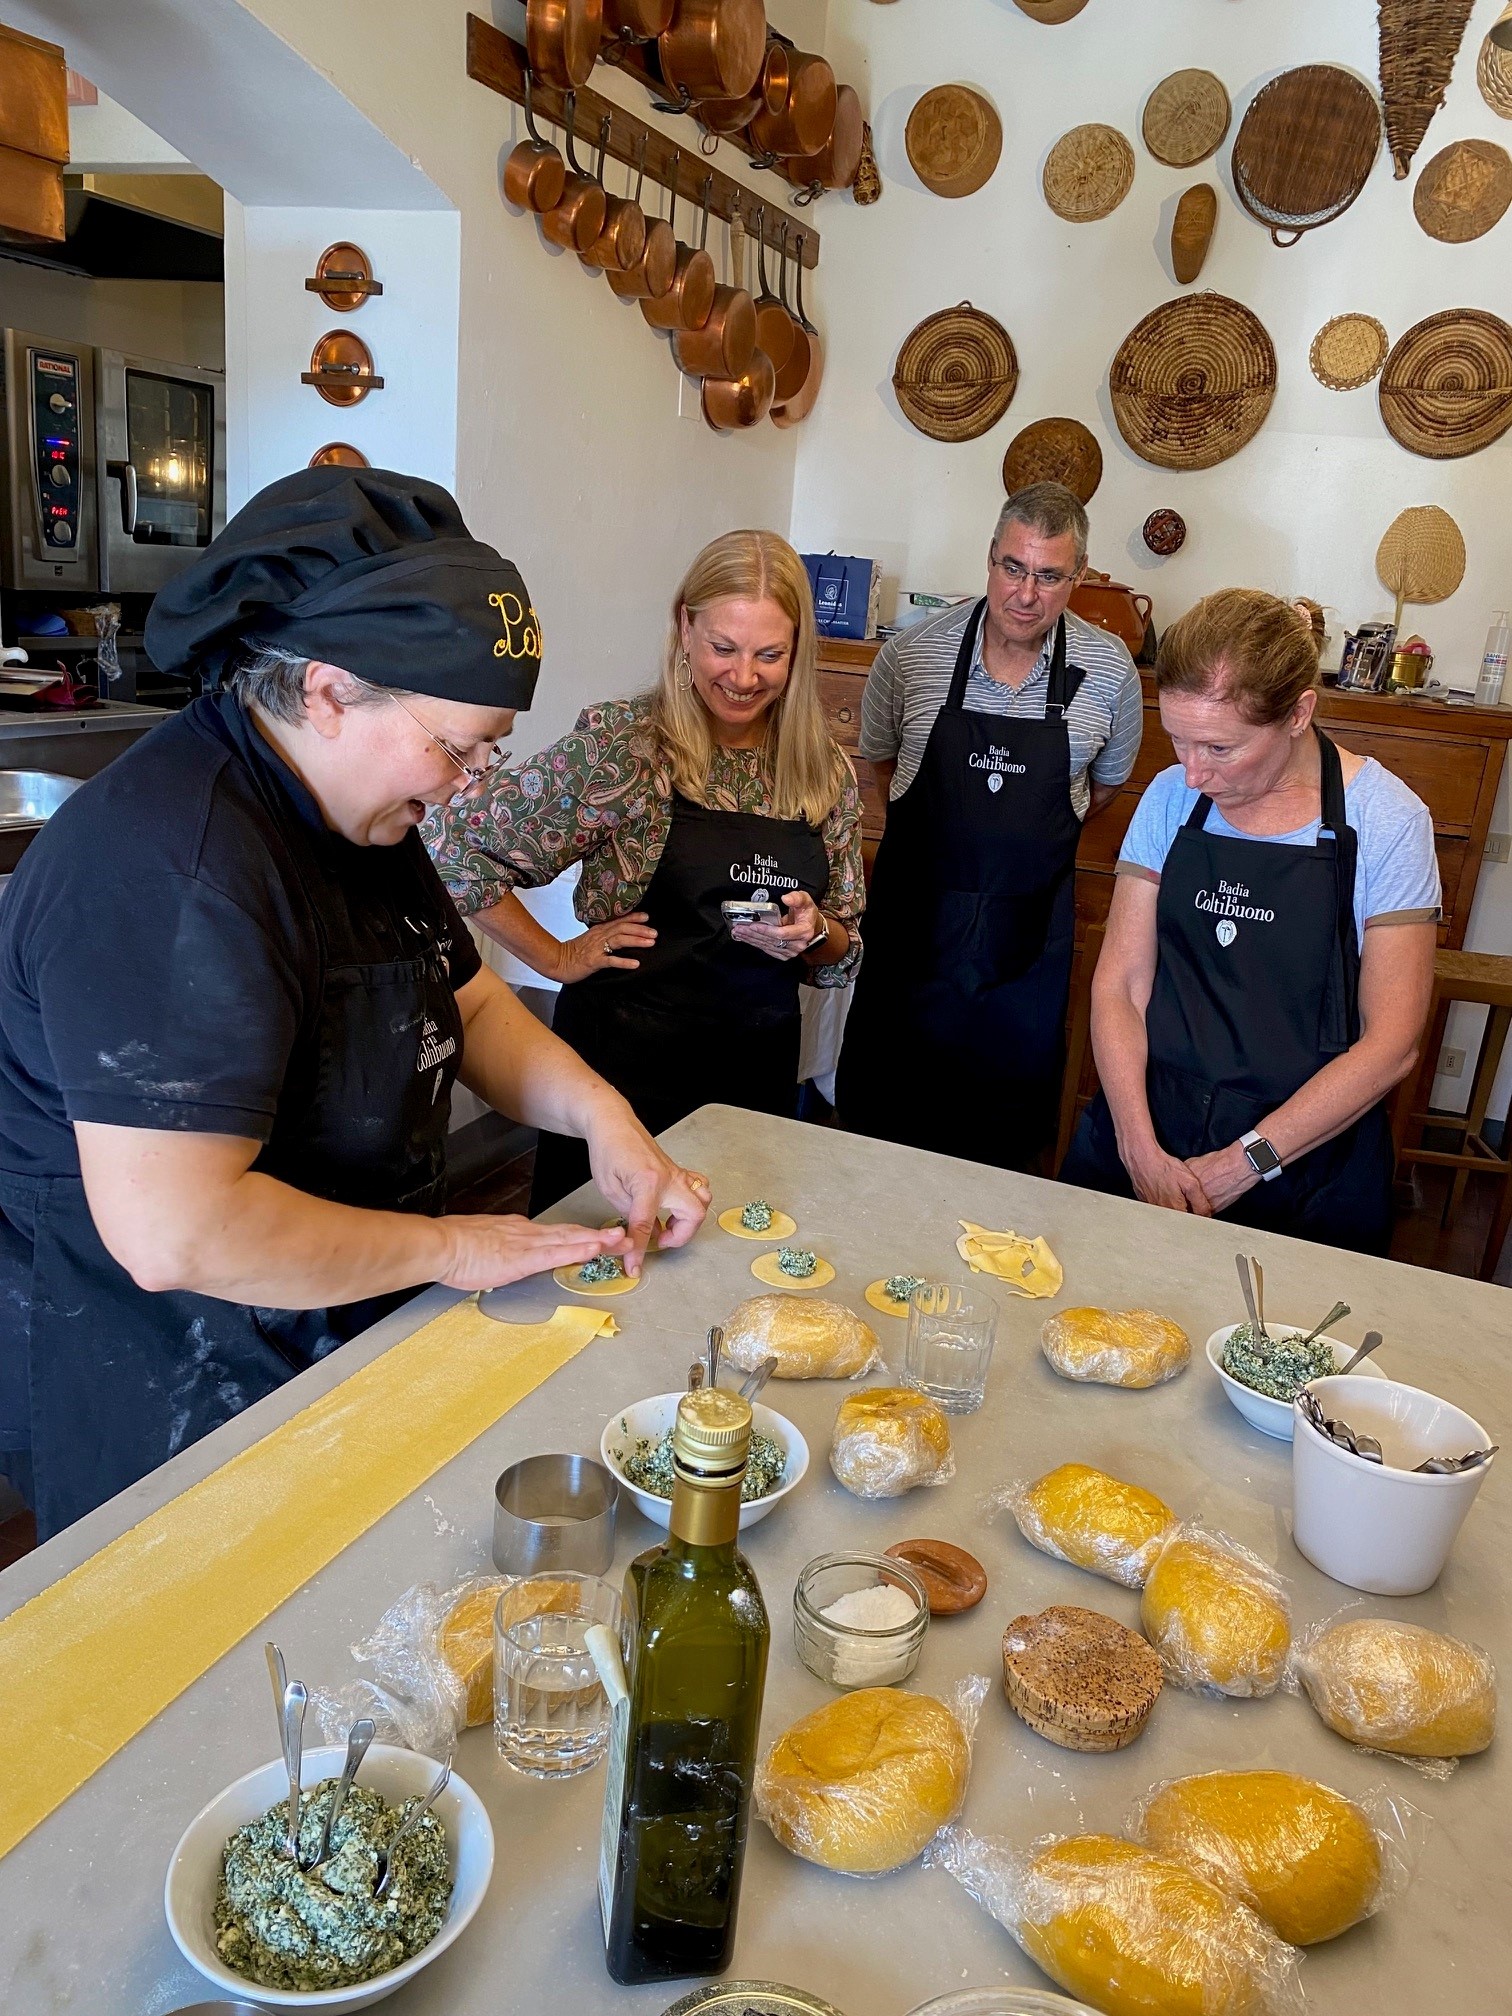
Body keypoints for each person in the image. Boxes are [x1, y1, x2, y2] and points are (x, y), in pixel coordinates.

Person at [0, 468, 708, 1541]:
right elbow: (178, 1234)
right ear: (329, 692)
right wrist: (454, 1250)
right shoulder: (174, 865)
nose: (470, 781)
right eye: (458, 746)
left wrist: (605, 1119)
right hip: (169, 1374)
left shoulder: (360, 811)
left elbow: (466, 1003)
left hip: (334, 1318)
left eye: (491, 749)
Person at [426, 529, 864, 1211]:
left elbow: (845, 948)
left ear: (799, 650)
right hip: (624, 1079)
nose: (743, 677)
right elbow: (453, 848)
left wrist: (816, 933)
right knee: (604, 1263)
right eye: (723, 648)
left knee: (738, 1252)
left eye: (769, 655)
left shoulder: (822, 770)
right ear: (685, 628)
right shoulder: (625, 748)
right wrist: (555, 956)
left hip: (755, 1078)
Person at [1060, 588, 1439, 1254]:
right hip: (1151, 1129)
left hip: (1304, 1165)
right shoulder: (1170, 799)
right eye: (1178, 741)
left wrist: (1246, 1163)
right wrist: (1135, 1142)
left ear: (1298, 714)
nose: (1192, 773)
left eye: (1219, 748)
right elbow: (1121, 985)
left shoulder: (1385, 820)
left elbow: (1393, 1043)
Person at [833, 482, 1144, 1170]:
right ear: (990, 557)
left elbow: (1103, 788)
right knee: (875, 1153)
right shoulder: (911, 655)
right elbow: (884, 764)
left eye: (1049, 576)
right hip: (911, 950)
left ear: (1078, 577)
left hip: (1023, 963)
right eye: (1013, 567)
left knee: (1000, 1171)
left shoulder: (1109, 671)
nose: (1025, 594)